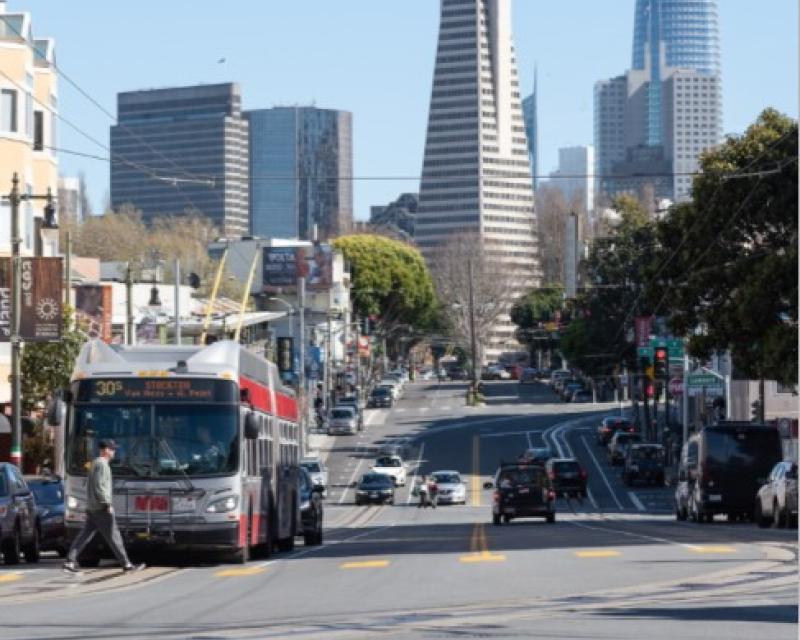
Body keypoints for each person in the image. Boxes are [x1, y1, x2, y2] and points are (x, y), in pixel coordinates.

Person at [63, 439, 144, 573]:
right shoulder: (103, 465)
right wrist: (107, 503)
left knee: (85, 535)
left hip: (92, 507)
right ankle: (127, 564)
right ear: (106, 450)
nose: (114, 452)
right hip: (101, 508)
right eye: (112, 449)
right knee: (114, 536)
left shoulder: (94, 463)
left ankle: (70, 561)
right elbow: (100, 486)